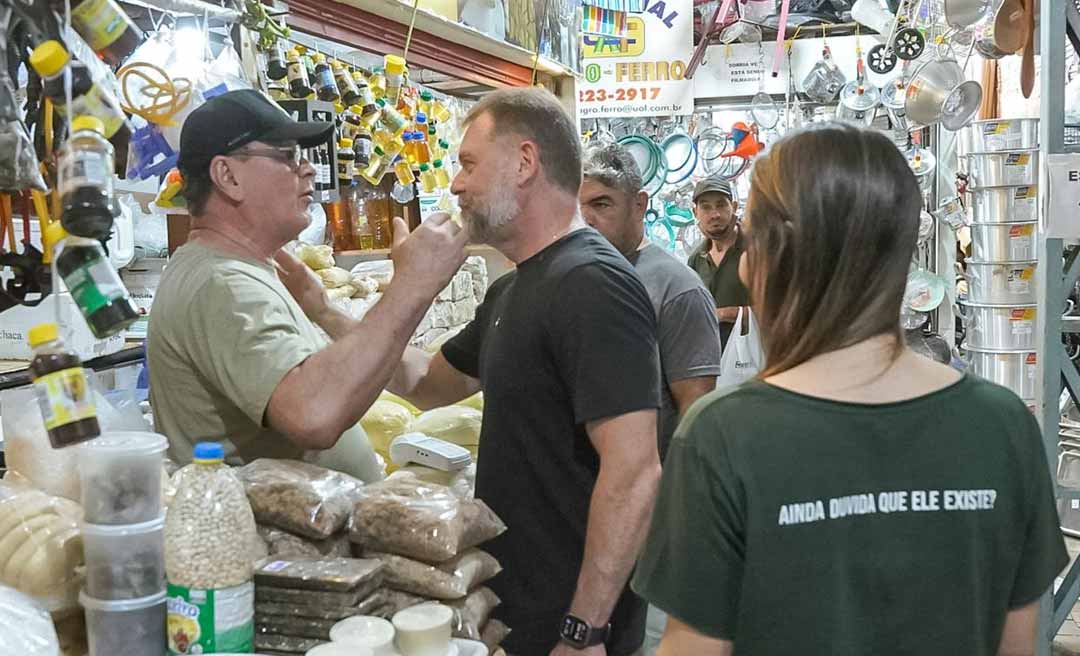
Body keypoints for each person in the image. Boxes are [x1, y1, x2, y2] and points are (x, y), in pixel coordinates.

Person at [632, 124, 1068, 655]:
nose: (744, 263)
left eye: (752, 238)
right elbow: (1018, 644)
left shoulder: (722, 435)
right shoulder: (1003, 424)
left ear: (772, 257)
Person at [389, 88, 662, 656]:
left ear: (525, 163)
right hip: (521, 609)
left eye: (468, 163)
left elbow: (635, 471)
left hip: (573, 625)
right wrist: (325, 309)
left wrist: (584, 629)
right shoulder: (513, 288)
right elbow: (427, 385)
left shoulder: (593, 284)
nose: (457, 184)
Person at [148, 89, 468, 476]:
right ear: (227, 176)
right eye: (286, 155)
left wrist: (322, 310)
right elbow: (314, 414)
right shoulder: (225, 284)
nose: (309, 169)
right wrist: (412, 285)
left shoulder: (233, 270)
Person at [579, 143, 721, 460]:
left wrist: (673, 492)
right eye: (578, 208)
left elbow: (694, 410)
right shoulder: (575, 276)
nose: (586, 220)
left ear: (640, 205)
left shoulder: (677, 288)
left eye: (602, 204)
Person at [687, 176, 750, 348]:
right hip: (711, 360)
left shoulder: (756, 249)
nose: (715, 214)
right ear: (696, 213)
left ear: (734, 207)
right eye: (706, 207)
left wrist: (724, 314)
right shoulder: (695, 260)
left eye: (721, 205)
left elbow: (778, 311)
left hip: (754, 358)